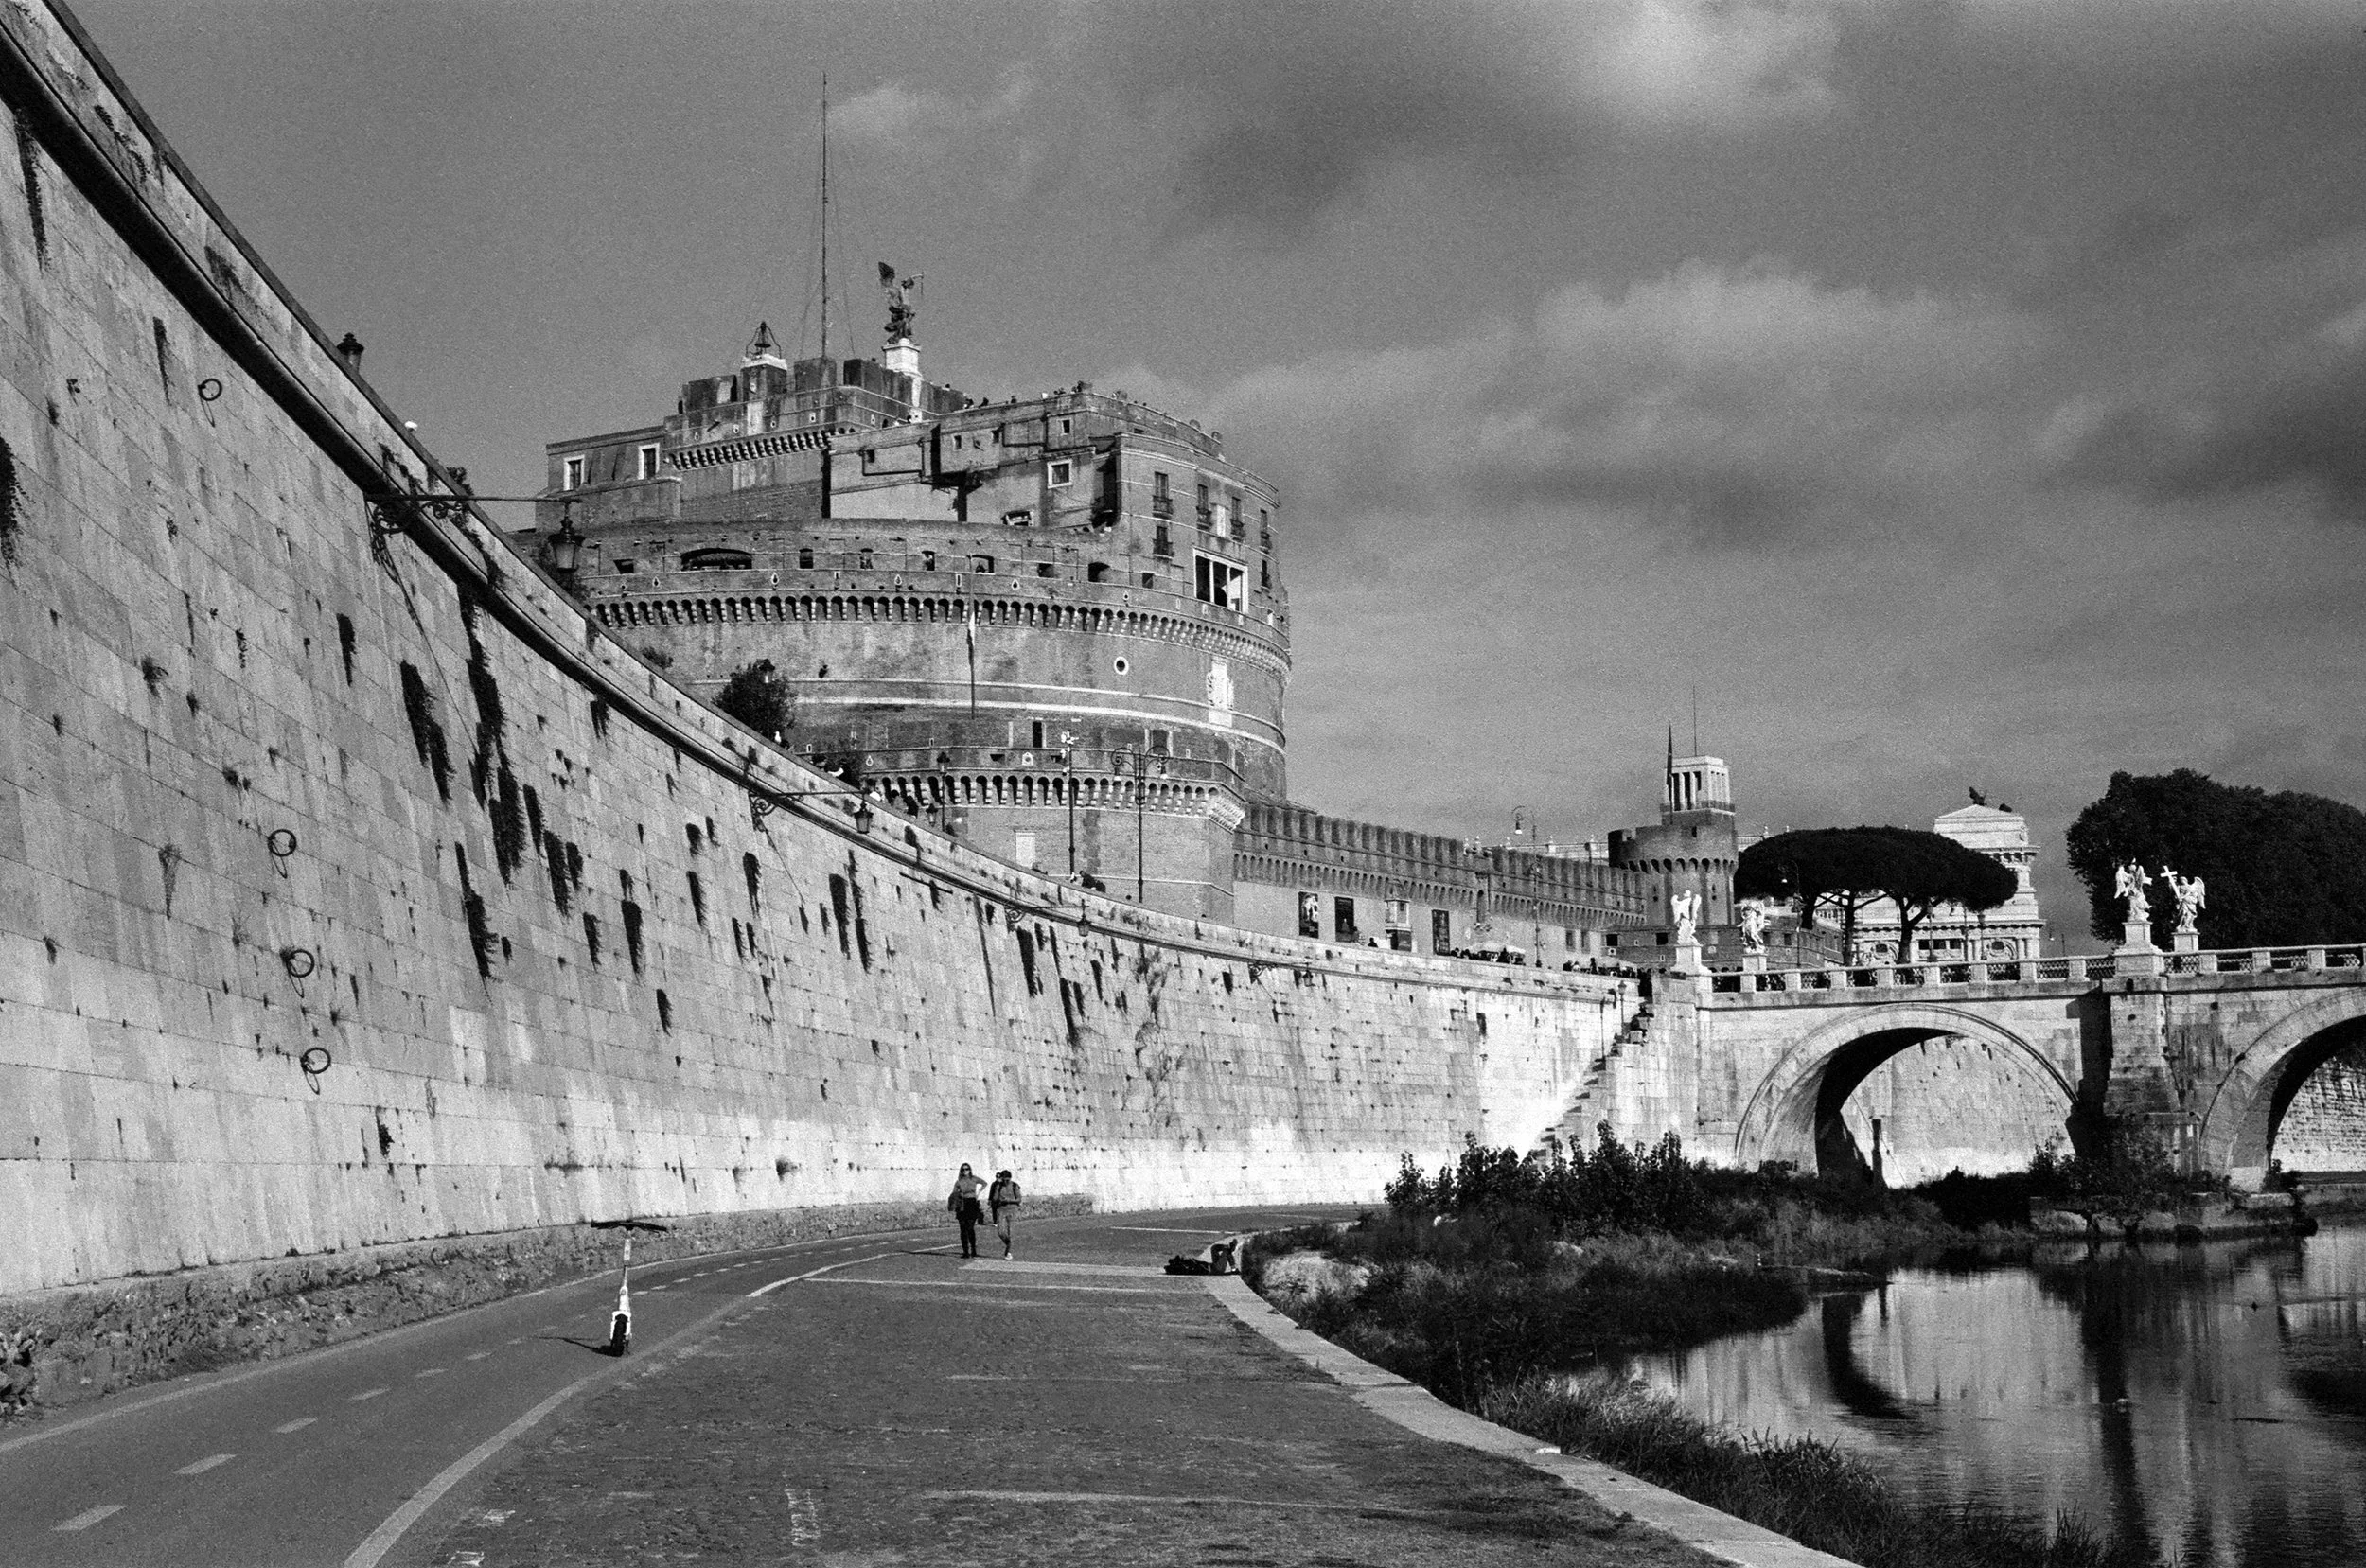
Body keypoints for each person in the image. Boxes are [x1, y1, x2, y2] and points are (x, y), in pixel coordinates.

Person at [947, 1162, 987, 1259]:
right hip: (962, 1204)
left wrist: (978, 1192)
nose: (965, 1171)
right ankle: (965, 1251)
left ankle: (973, 1249)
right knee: (963, 1229)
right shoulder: (959, 1182)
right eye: (963, 1169)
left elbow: (984, 1183)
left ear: (970, 1170)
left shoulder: (974, 1178)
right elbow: (954, 1194)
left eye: (967, 1169)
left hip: (972, 1203)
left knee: (970, 1228)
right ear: (961, 1171)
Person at [988, 1169, 1023, 1260]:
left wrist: (1009, 1200)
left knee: (1011, 1232)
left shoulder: (1014, 1186)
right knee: (1000, 1232)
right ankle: (1008, 1243)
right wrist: (998, 1198)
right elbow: (994, 1198)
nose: (1005, 1182)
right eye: (1004, 1180)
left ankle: (1008, 1251)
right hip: (1001, 1210)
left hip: (1012, 1210)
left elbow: (1019, 1199)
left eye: (1007, 1180)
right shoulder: (998, 1186)